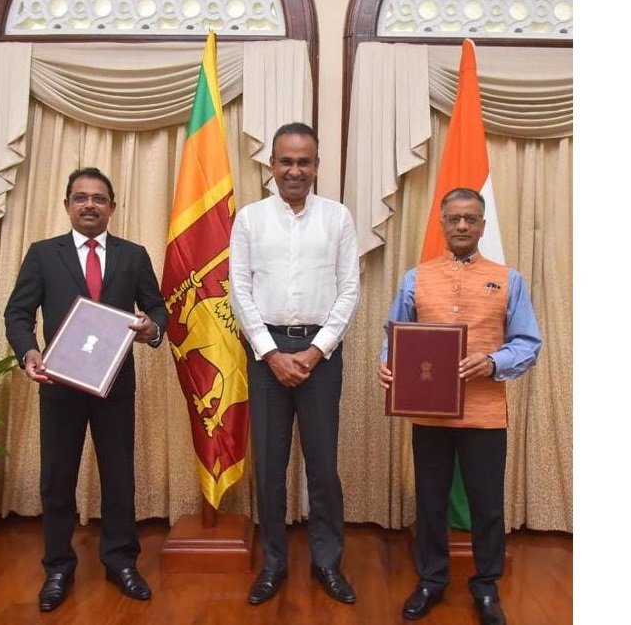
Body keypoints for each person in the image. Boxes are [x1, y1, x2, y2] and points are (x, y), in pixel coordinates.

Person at [4, 167, 168, 612]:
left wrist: (152, 328)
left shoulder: (133, 255)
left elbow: (156, 307)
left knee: (119, 476)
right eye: (80, 197)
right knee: (57, 480)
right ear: (67, 205)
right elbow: (18, 313)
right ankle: (58, 567)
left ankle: (121, 562)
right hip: (59, 384)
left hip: (115, 385)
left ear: (112, 206)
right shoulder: (43, 254)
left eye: (98, 198)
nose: (89, 205)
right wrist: (29, 353)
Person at [377, 187, 541, 625]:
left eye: (471, 219)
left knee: (487, 506)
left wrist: (493, 362)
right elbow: (395, 334)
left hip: (485, 415)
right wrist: (387, 365)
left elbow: (528, 343)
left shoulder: (509, 279)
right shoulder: (415, 278)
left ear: (483, 226)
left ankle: (486, 587)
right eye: (454, 219)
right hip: (428, 413)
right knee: (430, 502)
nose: (462, 225)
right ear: (443, 224)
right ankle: (431, 580)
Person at [229, 122, 360, 606]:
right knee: (269, 466)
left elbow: (349, 289)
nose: (295, 170)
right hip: (265, 353)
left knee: (323, 466)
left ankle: (327, 563)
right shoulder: (250, 219)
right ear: (272, 165)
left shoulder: (338, 217)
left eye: (304, 162)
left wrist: (314, 350)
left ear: (317, 166)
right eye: (286, 161)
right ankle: (274, 563)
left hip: (320, 354)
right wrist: (270, 352)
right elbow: (239, 289)